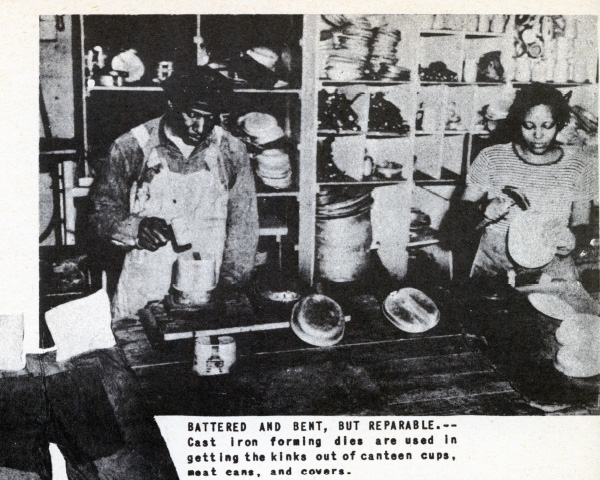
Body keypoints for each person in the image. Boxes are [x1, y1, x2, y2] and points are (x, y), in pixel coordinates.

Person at [90, 67, 259, 319]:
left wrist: (230, 284)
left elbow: (243, 227)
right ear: (171, 103)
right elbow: (101, 212)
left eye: (210, 117)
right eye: (192, 115)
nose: (200, 127)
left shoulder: (231, 151)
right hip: (146, 285)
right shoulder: (132, 146)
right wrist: (136, 228)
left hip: (207, 285)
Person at [461, 83, 595, 280]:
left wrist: (573, 239)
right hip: (495, 266)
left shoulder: (577, 164)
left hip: (552, 267)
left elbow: (582, 223)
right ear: (518, 123)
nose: (538, 135)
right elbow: (456, 223)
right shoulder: (492, 157)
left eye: (547, 126)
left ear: (559, 123)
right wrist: (483, 211)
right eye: (529, 126)